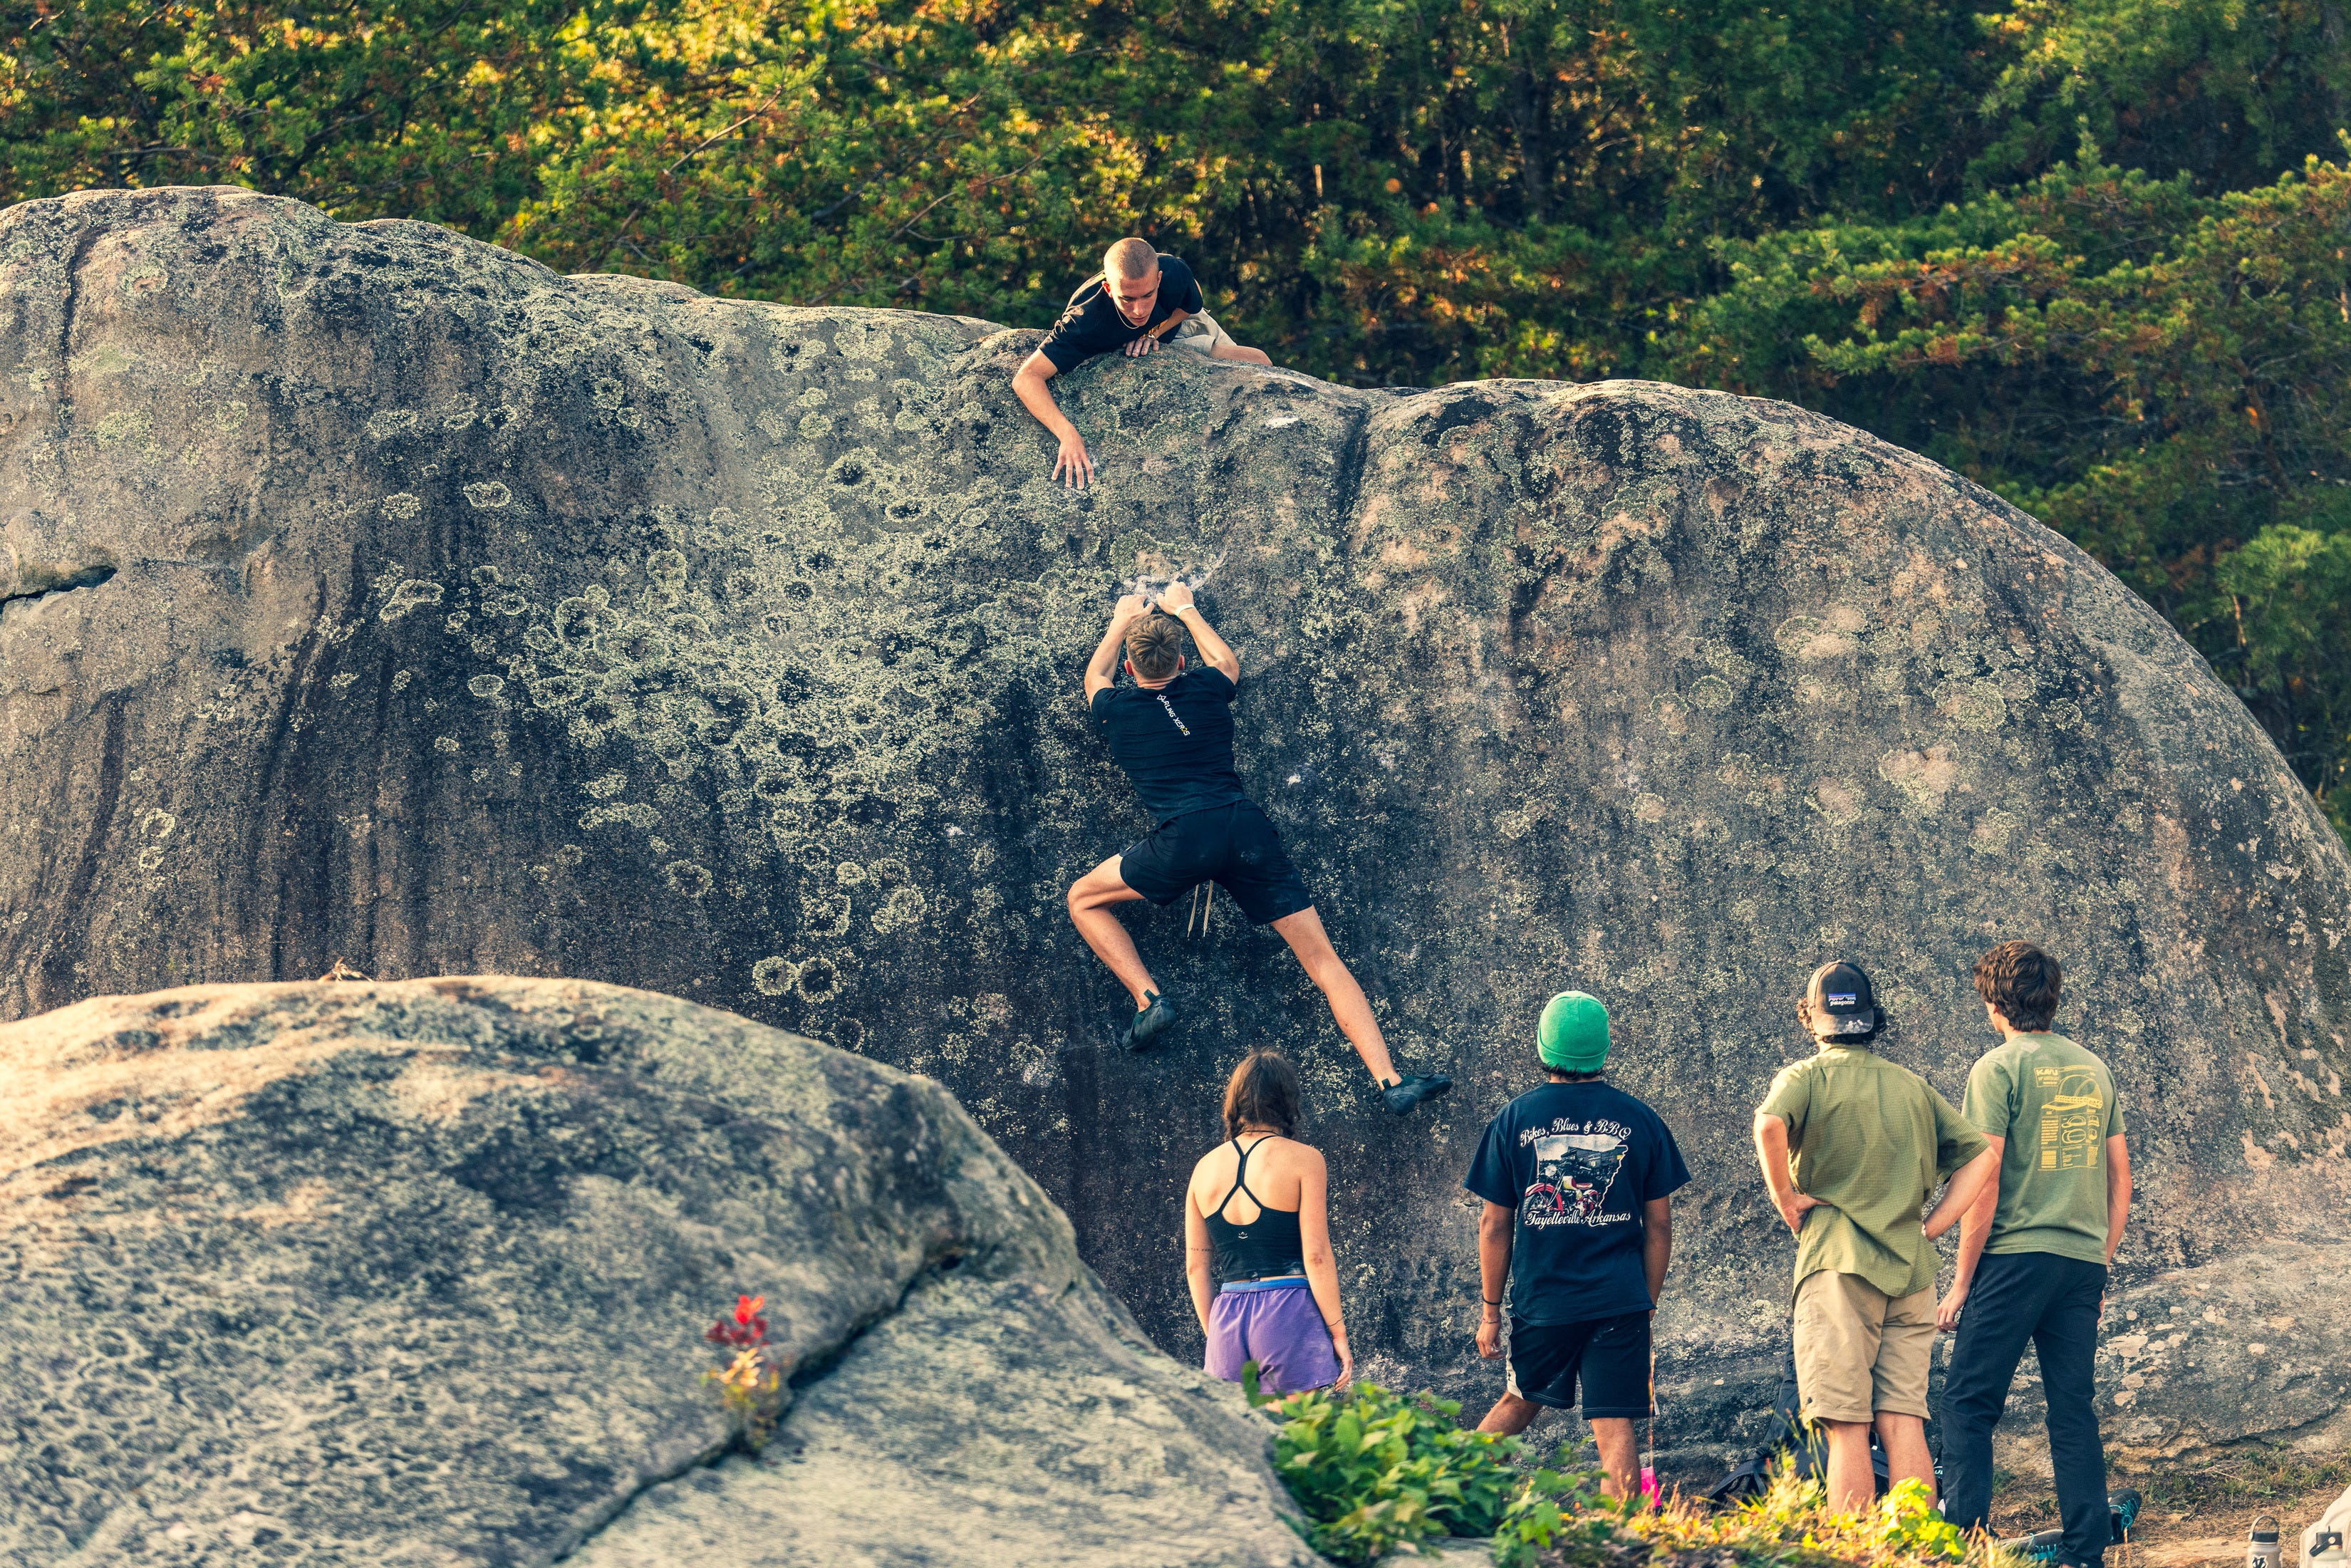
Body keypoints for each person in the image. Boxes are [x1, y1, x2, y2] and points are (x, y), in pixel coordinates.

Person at [1066, 581, 1453, 1114]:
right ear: (1182, 660)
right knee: (1322, 961)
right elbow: (1226, 660)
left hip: (1180, 839)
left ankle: (1148, 1000)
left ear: (1132, 671)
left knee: (1083, 898)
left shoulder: (1116, 708)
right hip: (1243, 828)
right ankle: (1390, 1079)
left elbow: (1094, 676)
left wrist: (1120, 620)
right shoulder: (1205, 686)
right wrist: (1186, 607)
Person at [1752, 959, 1998, 1515]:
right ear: (1871, 1018)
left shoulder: (1805, 1077)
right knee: (1903, 1419)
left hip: (1838, 1265)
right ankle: (1916, 1549)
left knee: (1846, 1425)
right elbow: (1982, 1155)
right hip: (1910, 1273)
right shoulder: (1910, 1085)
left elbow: (1769, 1124)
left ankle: (1859, 1554)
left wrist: (1787, 1198)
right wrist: (1932, 1225)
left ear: (1811, 1019)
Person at [1937, 942, 2131, 1568]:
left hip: (2016, 1258)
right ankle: (2086, 1553)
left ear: (1995, 1003)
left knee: (1968, 1402)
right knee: (2072, 1409)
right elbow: (2121, 1178)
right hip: (2080, 1261)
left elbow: (1984, 1180)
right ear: (2053, 996)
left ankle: (1967, 1548)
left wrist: (1962, 1281)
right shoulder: (2094, 1067)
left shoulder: (1997, 1069)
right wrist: (2100, 1259)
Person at [1463, 992, 1689, 1502]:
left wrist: (1490, 1312)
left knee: (1518, 1403)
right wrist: (1644, 1299)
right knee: (1615, 1429)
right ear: (1605, 1049)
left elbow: (1494, 1225)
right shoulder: (1641, 1119)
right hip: (1619, 1299)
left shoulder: (1513, 1119)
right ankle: (1625, 1544)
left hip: (1545, 1300)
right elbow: (1659, 1226)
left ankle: (1447, 1493)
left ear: (1542, 1047)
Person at [1012, 237, 1274, 490]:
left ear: (1158, 280)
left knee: (1261, 363)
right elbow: (1027, 377)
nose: (1139, 310)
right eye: (1127, 299)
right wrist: (1067, 434)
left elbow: (1192, 300)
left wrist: (1152, 332)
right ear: (1109, 289)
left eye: (1147, 295)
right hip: (1169, 348)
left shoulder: (1171, 270)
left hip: (1177, 325)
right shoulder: (1083, 321)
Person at [1185, 1049, 1353, 1395]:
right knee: (1294, 1435)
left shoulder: (1203, 1168)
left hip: (1228, 1314)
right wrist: (1338, 1333)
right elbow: (1317, 1256)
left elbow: (1196, 1268)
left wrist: (1216, 1334)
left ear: (1236, 1101)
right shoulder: (1305, 1160)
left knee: (1244, 1441)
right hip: (1286, 1309)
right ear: (1287, 1099)